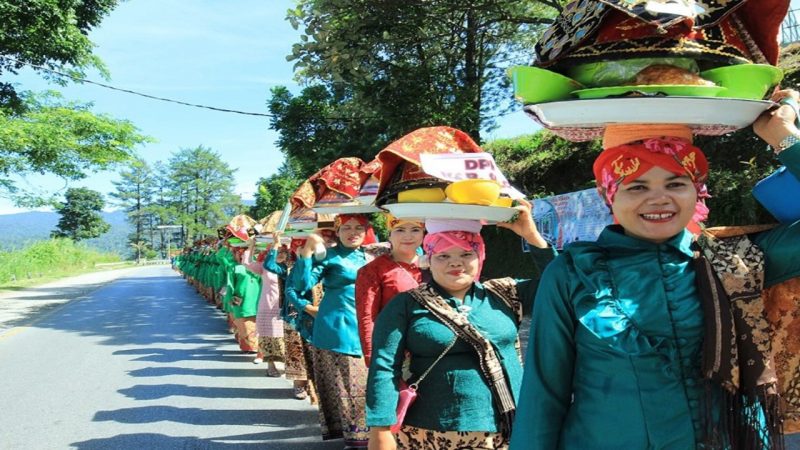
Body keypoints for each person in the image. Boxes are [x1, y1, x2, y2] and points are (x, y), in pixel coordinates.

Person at [510, 91, 800, 450]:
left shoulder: (736, 262)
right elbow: (543, 397)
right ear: (608, 195)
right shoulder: (573, 274)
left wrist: (785, 138)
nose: (659, 198)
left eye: (676, 184)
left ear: (698, 191)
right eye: (637, 186)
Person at [366, 210, 553, 450]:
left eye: (466, 253)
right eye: (443, 255)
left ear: (480, 255)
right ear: (429, 260)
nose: (456, 262)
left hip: (513, 423)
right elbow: (383, 367)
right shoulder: (406, 304)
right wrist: (380, 428)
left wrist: (532, 235)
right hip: (434, 431)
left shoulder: (505, 294)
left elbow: (563, 284)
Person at [293, 214, 379, 449]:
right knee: (350, 384)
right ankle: (356, 439)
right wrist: (308, 252)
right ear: (338, 232)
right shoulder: (329, 257)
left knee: (373, 383)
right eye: (347, 228)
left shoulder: (374, 255)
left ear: (367, 230)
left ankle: (375, 435)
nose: (353, 232)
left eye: (358, 228)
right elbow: (300, 286)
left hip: (372, 324)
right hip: (340, 327)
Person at [355, 215, 425, 367]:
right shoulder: (373, 270)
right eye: (400, 230)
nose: (408, 236)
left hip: (433, 348)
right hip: (395, 350)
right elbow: (367, 316)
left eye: (415, 230)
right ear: (389, 235)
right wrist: (372, 357)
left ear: (423, 233)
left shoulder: (437, 264)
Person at [246, 236, 287, 376]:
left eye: (283, 250)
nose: (280, 253)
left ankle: (288, 366)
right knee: (268, 337)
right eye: (277, 250)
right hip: (268, 306)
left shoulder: (290, 266)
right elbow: (246, 263)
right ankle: (271, 365)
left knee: (284, 337)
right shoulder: (264, 266)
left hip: (285, 306)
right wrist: (251, 247)